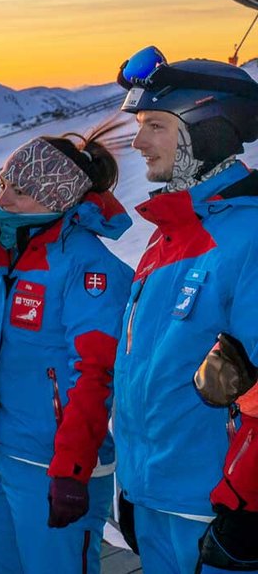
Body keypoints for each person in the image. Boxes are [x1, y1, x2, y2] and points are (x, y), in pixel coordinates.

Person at [0, 127, 132, 573]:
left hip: (52, 464)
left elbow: (95, 373)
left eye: (20, 191)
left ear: (56, 197)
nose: (4, 199)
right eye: (3, 183)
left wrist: (72, 467)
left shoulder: (88, 266)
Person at [112, 48, 258, 573]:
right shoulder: (169, 234)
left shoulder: (248, 236)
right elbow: (145, 369)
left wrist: (248, 508)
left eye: (155, 125)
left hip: (215, 508)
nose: (138, 142)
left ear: (207, 129)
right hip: (156, 500)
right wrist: (133, 488)